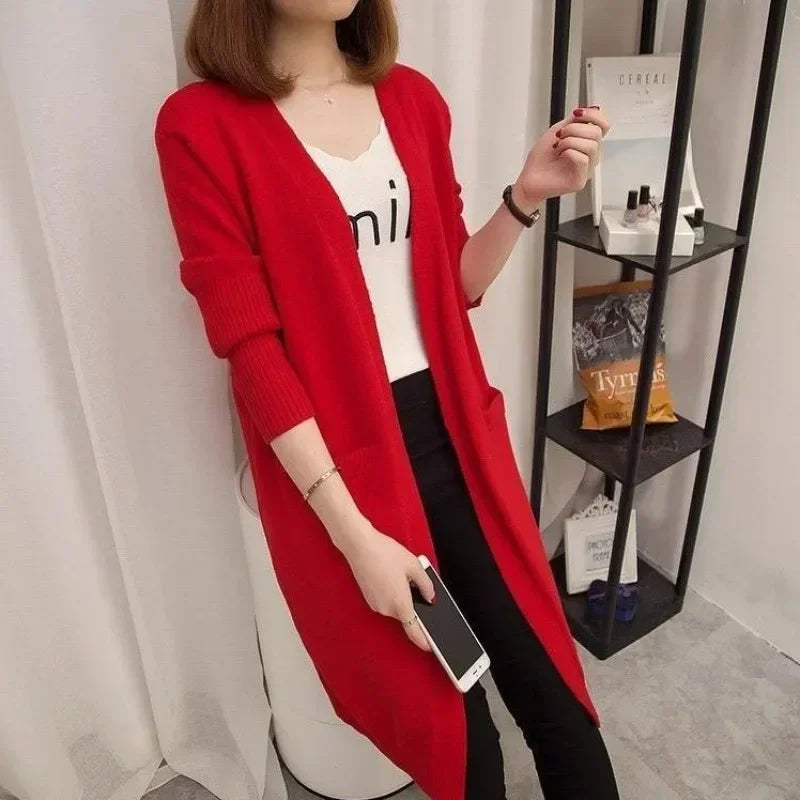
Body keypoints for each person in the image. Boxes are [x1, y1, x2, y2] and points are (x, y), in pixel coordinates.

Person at [154, 1, 619, 798]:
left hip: (458, 444)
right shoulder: (200, 125)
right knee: (462, 742)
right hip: (346, 473)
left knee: (554, 696)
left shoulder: (413, 99)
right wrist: (356, 539)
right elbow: (252, 351)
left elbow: (449, 286)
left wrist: (526, 196)